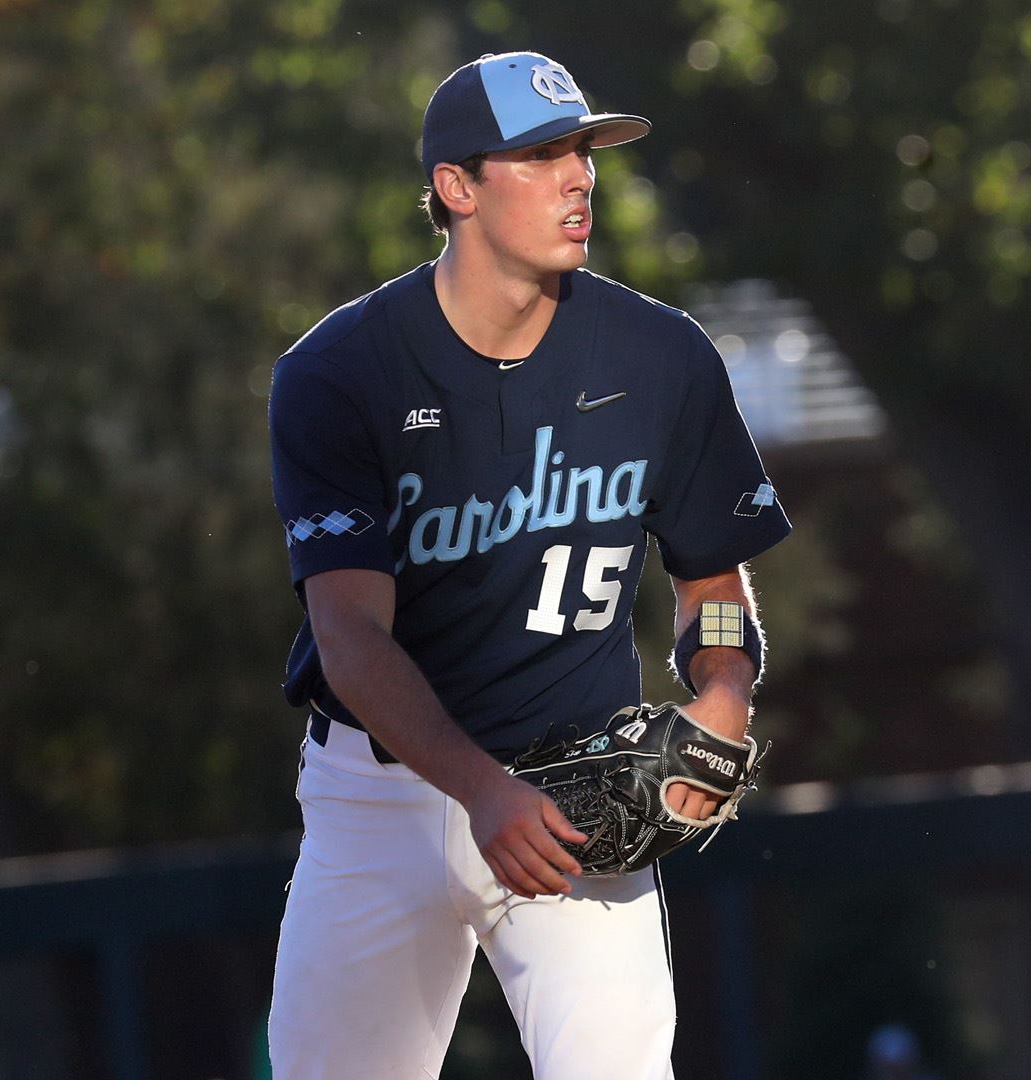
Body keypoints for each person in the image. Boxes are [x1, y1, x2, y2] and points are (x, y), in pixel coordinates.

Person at [264, 51, 792, 1079]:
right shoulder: (339, 373)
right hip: (385, 803)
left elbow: (712, 582)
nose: (580, 175)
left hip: (576, 794)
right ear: (457, 188)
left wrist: (725, 692)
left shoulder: (661, 356)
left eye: (585, 151)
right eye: (542, 153)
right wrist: (478, 789)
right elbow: (349, 636)